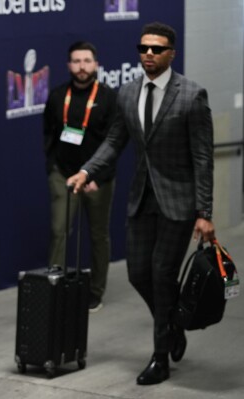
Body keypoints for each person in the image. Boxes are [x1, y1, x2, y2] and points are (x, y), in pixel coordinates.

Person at [67, 22, 215, 385]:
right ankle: (174, 324)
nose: (148, 54)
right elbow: (115, 141)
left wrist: (204, 212)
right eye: (144, 48)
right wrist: (87, 171)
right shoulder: (128, 93)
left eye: (157, 49)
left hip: (178, 203)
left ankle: (160, 356)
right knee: (138, 274)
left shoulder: (191, 95)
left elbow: (202, 157)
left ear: (171, 54)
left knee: (163, 274)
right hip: (141, 199)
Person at [43, 41, 117, 313]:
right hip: (63, 175)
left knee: (98, 235)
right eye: (76, 61)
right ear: (68, 65)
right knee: (59, 232)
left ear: (95, 64)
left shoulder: (109, 97)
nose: (82, 66)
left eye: (87, 60)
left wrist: (99, 175)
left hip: (98, 180)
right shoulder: (57, 95)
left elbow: (115, 141)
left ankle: (95, 292)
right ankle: (54, 288)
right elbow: (49, 133)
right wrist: (53, 167)